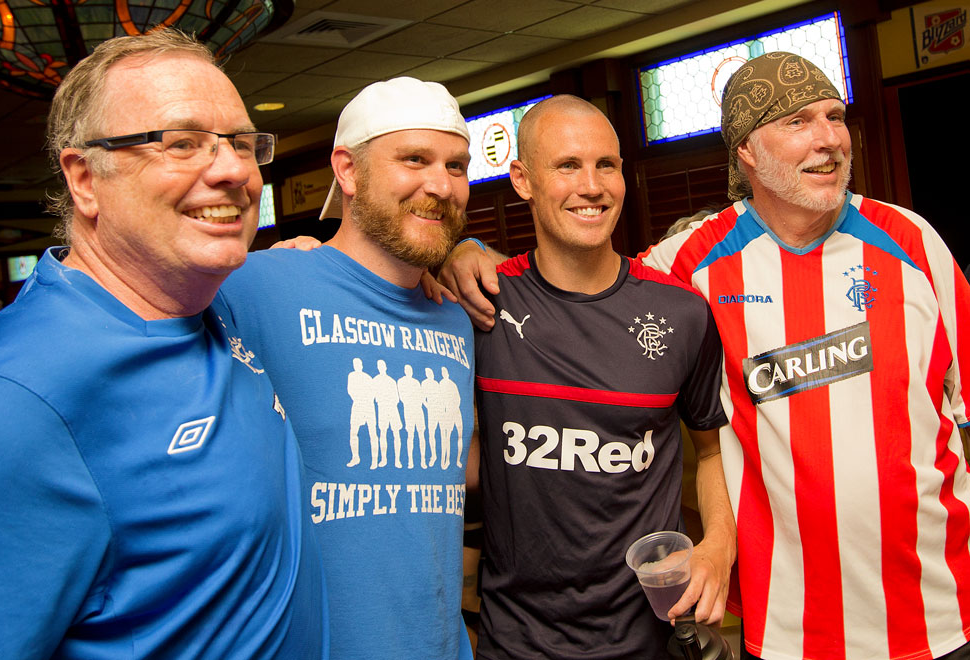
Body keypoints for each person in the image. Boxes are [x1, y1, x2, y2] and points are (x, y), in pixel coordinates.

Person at [439, 52, 970, 660]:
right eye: (798, 121)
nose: (828, 140)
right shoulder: (688, 264)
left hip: (940, 607)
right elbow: (582, 268)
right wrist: (461, 251)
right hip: (783, 624)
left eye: (835, 116)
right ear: (746, 150)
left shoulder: (913, 242)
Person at [0, 30, 327, 658]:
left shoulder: (209, 300)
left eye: (242, 144)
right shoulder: (18, 402)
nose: (231, 171)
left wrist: (467, 256)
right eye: (183, 143)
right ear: (85, 178)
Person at [457, 95, 736, 660]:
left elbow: (712, 451)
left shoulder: (682, 313)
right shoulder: (482, 305)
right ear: (522, 180)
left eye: (606, 165)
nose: (592, 186)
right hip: (516, 641)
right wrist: (455, 248)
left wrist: (717, 548)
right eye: (567, 166)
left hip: (651, 637)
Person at [219, 77, 476, 660]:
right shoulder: (257, 288)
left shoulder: (454, 318)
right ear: (349, 171)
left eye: (456, 166)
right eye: (414, 159)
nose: (440, 184)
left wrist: (469, 250)